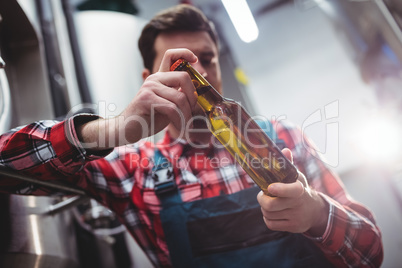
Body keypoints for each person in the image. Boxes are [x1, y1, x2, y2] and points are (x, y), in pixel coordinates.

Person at [0, 4, 383, 268]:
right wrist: (115, 129)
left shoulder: (284, 140)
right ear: (150, 80)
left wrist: (316, 213)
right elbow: (6, 165)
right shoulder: (133, 169)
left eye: (208, 59)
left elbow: (371, 255)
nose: (200, 76)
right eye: (182, 65)